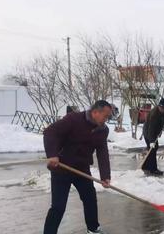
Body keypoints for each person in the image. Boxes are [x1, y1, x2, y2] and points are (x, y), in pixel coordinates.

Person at [43, 100, 113, 234]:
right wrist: (52, 155)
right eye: (105, 116)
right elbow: (50, 132)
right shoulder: (74, 119)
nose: (107, 119)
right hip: (62, 168)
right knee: (58, 207)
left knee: (90, 199)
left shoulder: (102, 130)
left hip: (81, 169)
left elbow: (102, 152)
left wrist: (105, 176)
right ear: (95, 112)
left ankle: (93, 228)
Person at [142, 98, 164, 176]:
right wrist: (151, 141)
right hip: (148, 132)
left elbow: (163, 121)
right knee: (152, 149)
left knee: (154, 149)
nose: (163, 110)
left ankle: (146, 166)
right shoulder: (154, 114)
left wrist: (161, 129)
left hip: (155, 132)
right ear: (159, 106)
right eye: (162, 108)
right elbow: (151, 129)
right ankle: (153, 169)